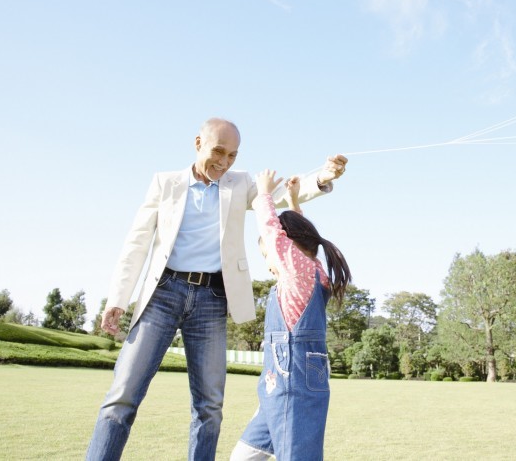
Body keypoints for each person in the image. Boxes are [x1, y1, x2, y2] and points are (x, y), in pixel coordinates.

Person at [85, 118, 347, 461]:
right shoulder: (165, 184)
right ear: (198, 143)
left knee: (209, 408)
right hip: (163, 294)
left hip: (211, 298)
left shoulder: (239, 184)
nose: (224, 163)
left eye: (233, 156)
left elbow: (281, 195)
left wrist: (323, 177)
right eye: (218, 152)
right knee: (122, 396)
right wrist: (118, 299)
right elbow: (137, 243)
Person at [230, 169, 352, 461]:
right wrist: (294, 201)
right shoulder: (312, 269)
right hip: (277, 388)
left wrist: (264, 194)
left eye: (267, 257)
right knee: (244, 456)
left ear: (289, 251)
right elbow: (300, 236)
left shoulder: (300, 273)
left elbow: (275, 234)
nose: (270, 265)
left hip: (292, 386)